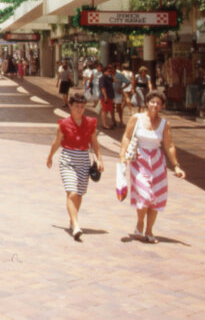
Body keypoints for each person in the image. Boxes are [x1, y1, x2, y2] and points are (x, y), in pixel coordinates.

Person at [119, 91, 186, 243]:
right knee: (144, 194)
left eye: (158, 103)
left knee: (156, 196)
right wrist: (122, 155)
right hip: (139, 160)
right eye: (153, 102)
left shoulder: (164, 124)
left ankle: (149, 230)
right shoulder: (136, 118)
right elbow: (126, 136)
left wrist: (176, 166)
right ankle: (140, 223)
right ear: (147, 103)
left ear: (162, 106)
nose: (155, 105)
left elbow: (169, 145)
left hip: (157, 162)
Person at [46, 93, 103, 241]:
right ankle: (76, 225)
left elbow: (94, 142)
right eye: (76, 106)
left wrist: (99, 159)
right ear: (70, 106)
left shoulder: (90, 123)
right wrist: (50, 156)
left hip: (83, 159)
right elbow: (57, 141)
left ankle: (72, 220)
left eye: (82, 107)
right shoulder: (64, 124)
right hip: (68, 159)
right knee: (71, 192)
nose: (79, 109)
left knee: (79, 194)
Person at [99, 64, 117, 129]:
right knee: (105, 110)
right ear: (104, 71)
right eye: (108, 71)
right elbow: (103, 87)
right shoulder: (102, 78)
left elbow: (115, 81)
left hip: (110, 96)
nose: (109, 72)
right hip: (106, 96)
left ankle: (106, 123)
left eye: (110, 71)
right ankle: (104, 124)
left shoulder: (108, 78)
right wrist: (105, 96)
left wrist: (112, 75)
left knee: (108, 110)